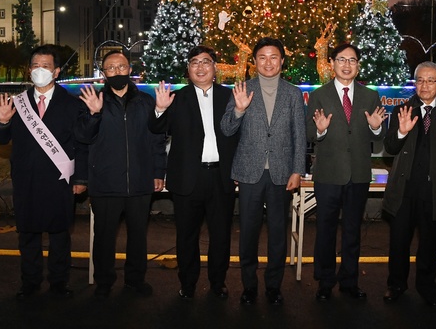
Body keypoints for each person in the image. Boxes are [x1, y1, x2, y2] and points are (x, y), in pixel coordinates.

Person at [0, 45, 88, 299]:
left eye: (45, 66)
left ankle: (58, 282)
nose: (39, 70)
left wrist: (81, 178)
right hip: (27, 180)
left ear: (56, 72)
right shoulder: (17, 103)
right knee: (28, 235)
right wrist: (1, 122)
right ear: (29, 70)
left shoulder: (72, 104)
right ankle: (30, 282)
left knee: (59, 236)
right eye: (35, 66)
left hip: (60, 180)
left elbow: (83, 144)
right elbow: (0, 140)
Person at [220, 37, 307, 306]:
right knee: (248, 232)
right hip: (249, 173)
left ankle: (273, 286)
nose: (268, 62)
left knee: (278, 233)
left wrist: (297, 170)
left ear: (282, 61)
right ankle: (248, 286)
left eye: (273, 57)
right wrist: (238, 109)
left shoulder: (293, 93)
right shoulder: (242, 89)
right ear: (254, 62)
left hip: (281, 174)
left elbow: (299, 136)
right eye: (262, 57)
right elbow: (226, 129)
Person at [149, 45, 239, 300]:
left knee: (220, 235)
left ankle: (217, 282)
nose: (200, 67)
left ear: (215, 68)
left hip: (221, 176)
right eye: (194, 63)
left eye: (206, 62)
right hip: (188, 178)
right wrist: (160, 109)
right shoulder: (177, 98)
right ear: (188, 70)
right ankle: (187, 284)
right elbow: (156, 129)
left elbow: (240, 136)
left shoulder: (230, 97)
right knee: (186, 236)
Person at [77, 50, 167, 298]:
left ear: (130, 69)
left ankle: (135, 279)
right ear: (103, 73)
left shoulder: (147, 102)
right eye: (110, 68)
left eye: (121, 67)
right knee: (104, 236)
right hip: (105, 182)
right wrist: (94, 114)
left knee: (138, 235)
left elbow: (157, 140)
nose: (116, 72)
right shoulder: (92, 100)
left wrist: (158, 170)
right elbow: (83, 138)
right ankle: (104, 280)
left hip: (140, 181)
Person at [382, 62, 436, 306]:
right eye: (420, 80)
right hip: (405, 189)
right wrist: (400, 132)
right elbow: (390, 148)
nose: (425, 85)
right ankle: (396, 284)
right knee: (398, 243)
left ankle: (427, 287)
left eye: (430, 80)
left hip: (435, 190)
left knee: (430, 245)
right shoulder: (403, 110)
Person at [306, 43, 386, 301]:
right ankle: (325, 281)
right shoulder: (319, 94)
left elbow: (380, 134)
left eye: (352, 60)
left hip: (359, 174)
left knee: (353, 231)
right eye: (342, 59)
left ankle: (349, 281)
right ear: (332, 63)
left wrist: (375, 128)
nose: (347, 65)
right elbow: (310, 133)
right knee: (326, 231)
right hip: (328, 174)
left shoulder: (370, 96)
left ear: (358, 65)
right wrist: (320, 130)